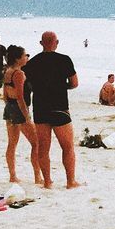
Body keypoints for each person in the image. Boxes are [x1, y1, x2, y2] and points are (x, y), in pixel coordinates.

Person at [26, 31, 81, 189]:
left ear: (41, 43)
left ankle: (48, 181)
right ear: (56, 43)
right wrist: (63, 86)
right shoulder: (64, 60)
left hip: (41, 107)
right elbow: (74, 83)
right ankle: (70, 181)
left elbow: (28, 85)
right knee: (68, 146)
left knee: (43, 148)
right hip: (59, 106)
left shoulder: (33, 62)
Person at [1, 45, 40, 185]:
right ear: (18, 59)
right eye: (25, 55)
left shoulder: (8, 71)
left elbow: (5, 94)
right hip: (18, 109)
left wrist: (9, 107)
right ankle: (37, 177)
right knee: (36, 143)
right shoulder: (18, 73)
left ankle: (12, 175)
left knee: (12, 143)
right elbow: (20, 97)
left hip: (9, 107)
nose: (26, 58)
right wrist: (26, 115)